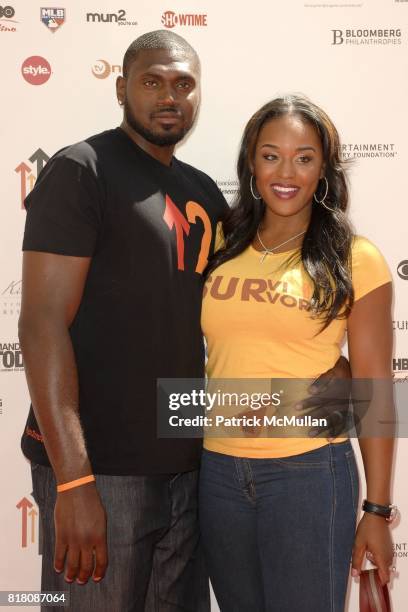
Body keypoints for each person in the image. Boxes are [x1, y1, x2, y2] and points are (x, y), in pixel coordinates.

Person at [19, 31, 351, 611]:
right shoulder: (82, 170)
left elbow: (251, 312)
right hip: (102, 473)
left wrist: (336, 370)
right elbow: (41, 322)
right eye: (152, 81)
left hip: (194, 470)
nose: (168, 96)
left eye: (183, 84)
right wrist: (73, 480)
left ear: (197, 97)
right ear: (122, 88)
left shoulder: (202, 192)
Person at [199, 95, 395, 612]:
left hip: (307, 474)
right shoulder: (221, 241)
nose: (287, 172)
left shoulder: (357, 258)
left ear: (323, 169)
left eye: (304, 157)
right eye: (271, 155)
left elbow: (373, 389)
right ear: (250, 163)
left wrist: (376, 508)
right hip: (217, 472)